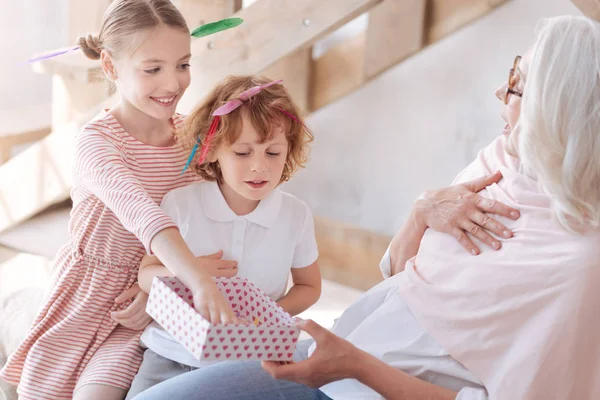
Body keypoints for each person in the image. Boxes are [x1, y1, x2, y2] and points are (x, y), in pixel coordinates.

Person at [133, 15, 600, 400]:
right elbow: (401, 278)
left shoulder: (578, 264)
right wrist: (420, 213)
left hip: (360, 380)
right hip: (342, 352)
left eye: (518, 86)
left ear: (557, 110)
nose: (500, 93)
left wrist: (355, 365)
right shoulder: (499, 161)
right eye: (511, 74)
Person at [0, 1, 240, 399]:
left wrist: (155, 286)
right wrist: (196, 279)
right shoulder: (97, 142)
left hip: (145, 306)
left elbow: (201, 216)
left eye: (183, 64)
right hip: (83, 296)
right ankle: (14, 311)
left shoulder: (191, 142)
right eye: (152, 69)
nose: (173, 84)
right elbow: (142, 214)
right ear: (110, 67)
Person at [126, 75, 322, 397]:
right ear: (213, 150)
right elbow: (146, 274)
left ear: (289, 150)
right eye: (243, 153)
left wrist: (265, 320)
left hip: (249, 361)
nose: (259, 167)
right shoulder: (182, 203)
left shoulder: (295, 215)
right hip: (171, 352)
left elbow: (309, 286)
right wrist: (191, 271)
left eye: (272, 153)